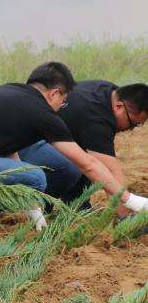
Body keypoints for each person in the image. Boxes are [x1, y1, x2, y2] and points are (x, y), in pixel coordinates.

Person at [0, 62, 148, 233]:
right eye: (63, 100)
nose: (64, 106)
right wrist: (132, 200)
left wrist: (33, 209)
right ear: (54, 93)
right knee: (36, 179)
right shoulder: (40, 112)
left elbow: (9, 154)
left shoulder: (14, 93)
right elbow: (88, 163)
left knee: (24, 176)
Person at [18, 81, 148, 209]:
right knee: (78, 167)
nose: (130, 129)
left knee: (85, 158)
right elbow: (109, 170)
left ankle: (76, 205)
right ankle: (39, 204)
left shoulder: (108, 91)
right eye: (133, 123)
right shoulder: (96, 119)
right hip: (24, 144)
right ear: (119, 107)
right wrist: (127, 216)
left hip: (51, 135)